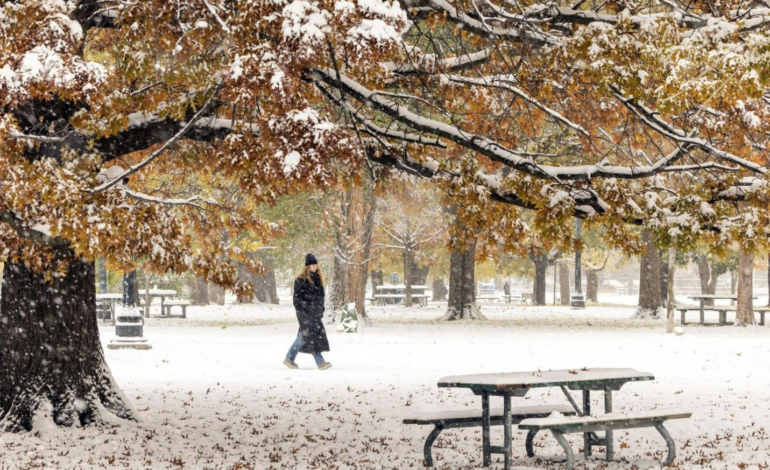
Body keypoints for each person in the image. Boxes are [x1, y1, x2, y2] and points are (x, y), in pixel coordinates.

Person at [284, 254, 332, 370]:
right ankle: (320, 361)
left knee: (304, 337)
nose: (314, 267)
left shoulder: (318, 280)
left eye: (315, 265)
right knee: (311, 336)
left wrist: (320, 309)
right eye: (312, 265)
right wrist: (305, 309)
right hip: (304, 314)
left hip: (315, 314)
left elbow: (321, 297)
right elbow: (297, 300)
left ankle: (289, 358)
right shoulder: (300, 280)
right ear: (307, 266)